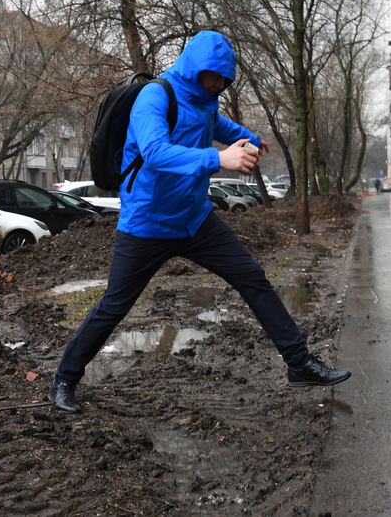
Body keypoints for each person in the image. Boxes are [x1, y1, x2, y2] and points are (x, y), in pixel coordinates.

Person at [49, 30, 350, 413]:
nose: (221, 84)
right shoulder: (154, 96)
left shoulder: (205, 100)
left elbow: (217, 126)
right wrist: (218, 161)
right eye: (216, 76)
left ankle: (299, 362)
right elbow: (156, 152)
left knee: (252, 278)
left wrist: (250, 136)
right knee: (114, 305)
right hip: (148, 224)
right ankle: (64, 379)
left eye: (227, 79)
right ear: (196, 67)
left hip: (195, 220)